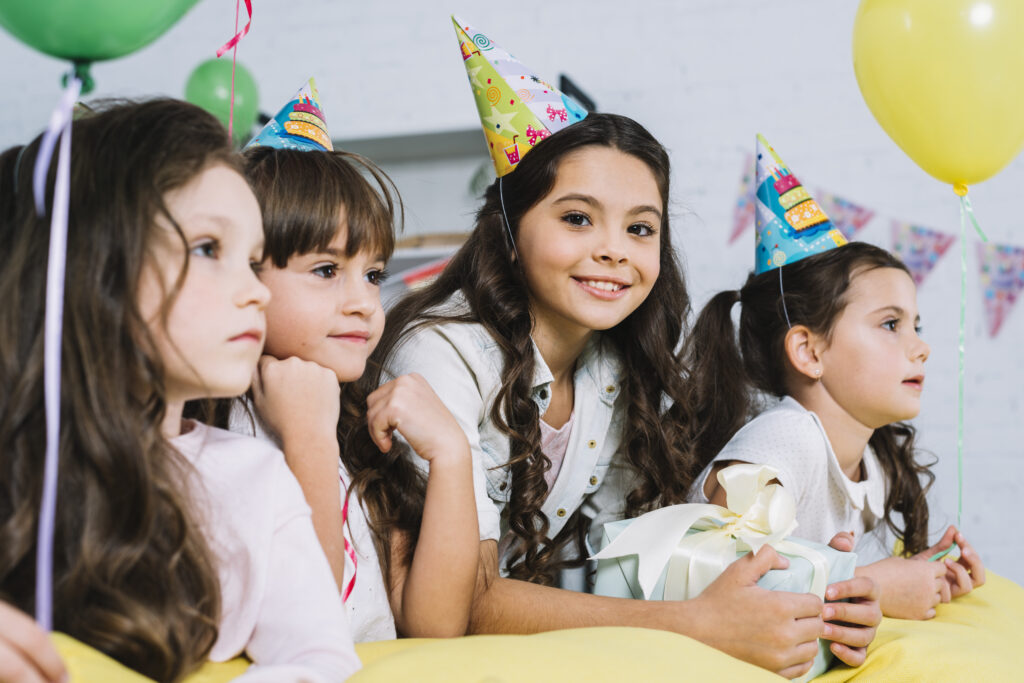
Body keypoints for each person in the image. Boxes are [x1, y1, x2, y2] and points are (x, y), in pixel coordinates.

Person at [371, 19, 881, 679]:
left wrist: (815, 578)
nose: (614, 248)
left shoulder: (612, 365)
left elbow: (613, 566)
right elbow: (464, 601)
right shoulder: (443, 354)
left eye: (640, 227)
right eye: (577, 217)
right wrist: (695, 625)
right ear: (509, 229)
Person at [0, 99, 359, 682]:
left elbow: (319, 658)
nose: (256, 293)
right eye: (207, 249)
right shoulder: (16, 460)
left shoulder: (257, 481)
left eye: (252, 261)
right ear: (91, 264)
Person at [686, 135, 985, 621]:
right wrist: (874, 587)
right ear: (808, 351)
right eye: (891, 324)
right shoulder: (785, 441)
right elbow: (710, 585)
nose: (922, 346)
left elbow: (837, 570)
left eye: (916, 325)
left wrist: (922, 573)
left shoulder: (872, 461)